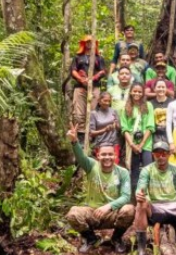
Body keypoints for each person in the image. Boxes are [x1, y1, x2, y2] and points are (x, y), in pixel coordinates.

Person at [65, 123, 134, 254]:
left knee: (129, 210)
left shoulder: (123, 172)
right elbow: (81, 157)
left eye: (110, 154)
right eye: (104, 154)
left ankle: (117, 238)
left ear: (115, 156)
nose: (107, 157)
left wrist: (109, 206)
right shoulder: (91, 166)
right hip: (93, 212)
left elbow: (126, 196)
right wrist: (74, 141)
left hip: (112, 213)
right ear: (98, 155)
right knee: (73, 214)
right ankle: (91, 238)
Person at [70, 35, 107, 138]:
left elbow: (103, 71)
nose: (90, 44)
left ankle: (91, 134)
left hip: (94, 87)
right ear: (84, 43)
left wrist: (93, 78)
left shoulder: (99, 58)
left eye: (92, 42)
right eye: (88, 42)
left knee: (93, 110)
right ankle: (81, 134)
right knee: (79, 112)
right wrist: (81, 79)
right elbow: (73, 70)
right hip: (80, 87)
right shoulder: (78, 57)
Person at [121, 83, 155, 190]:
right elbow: (124, 128)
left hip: (146, 143)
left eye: (139, 91)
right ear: (131, 92)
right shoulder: (126, 107)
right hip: (131, 144)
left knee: (147, 168)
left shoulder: (148, 105)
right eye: (135, 91)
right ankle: (134, 197)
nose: (137, 93)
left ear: (143, 93)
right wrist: (132, 144)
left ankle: (147, 195)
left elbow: (150, 126)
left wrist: (141, 144)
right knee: (134, 170)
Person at [90, 91, 121, 164]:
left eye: (109, 101)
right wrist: (104, 130)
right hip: (100, 144)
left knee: (114, 164)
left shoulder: (114, 111)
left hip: (113, 143)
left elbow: (119, 128)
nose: (107, 103)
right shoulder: (94, 114)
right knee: (102, 166)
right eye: (105, 101)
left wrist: (116, 123)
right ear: (99, 101)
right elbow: (91, 133)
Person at [149, 80, 173, 147]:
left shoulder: (172, 103)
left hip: (169, 136)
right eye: (159, 87)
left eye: (163, 87)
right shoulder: (150, 104)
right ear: (154, 89)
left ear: (166, 89)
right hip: (155, 136)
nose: (161, 89)